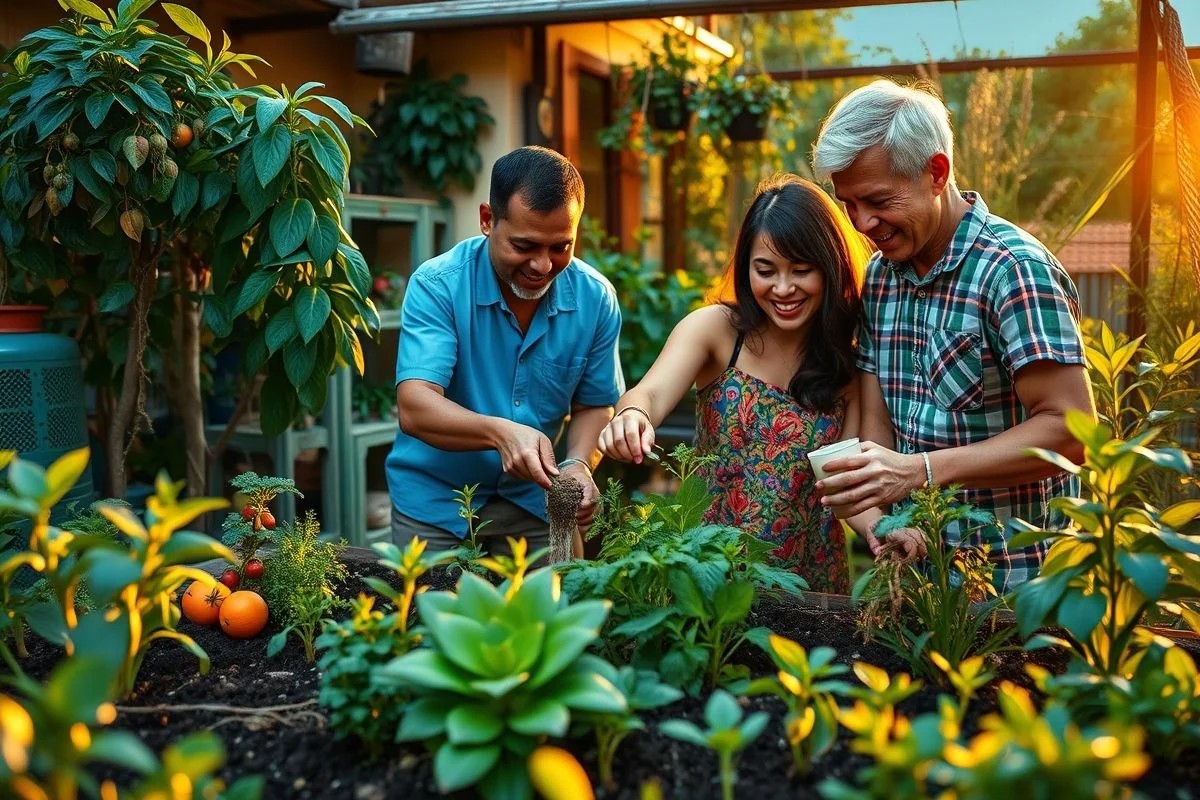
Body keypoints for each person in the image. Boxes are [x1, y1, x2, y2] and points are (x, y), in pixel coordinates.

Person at [810, 78, 1095, 591]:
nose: (862, 223)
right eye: (848, 204)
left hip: (1015, 588)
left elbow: (1072, 431)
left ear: (936, 172)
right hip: (919, 581)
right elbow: (879, 421)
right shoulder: (881, 276)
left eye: (877, 200)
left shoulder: (1013, 270)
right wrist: (885, 514)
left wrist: (919, 470)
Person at [598, 174, 868, 593]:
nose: (783, 288)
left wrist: (884, 530)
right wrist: (632, 416)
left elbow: (848, 489)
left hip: (810, 585)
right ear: (746, 268)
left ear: (831, 268)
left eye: (801, 270)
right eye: (766, 270)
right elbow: (649, 393)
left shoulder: (848, 363)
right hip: (708, 574)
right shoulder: (718, 330)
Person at [385, 146, 624, 557]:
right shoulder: (438, 284)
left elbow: (596, 405)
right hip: (438, 504)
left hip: (537, 501)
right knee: (434, 622)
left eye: (560, 247)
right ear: (486, 220)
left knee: (561, 616)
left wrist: (579, 464)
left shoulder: (596, 298)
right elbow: (415, 406)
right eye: (525, 245)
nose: (543, 265)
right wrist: (502, 434)